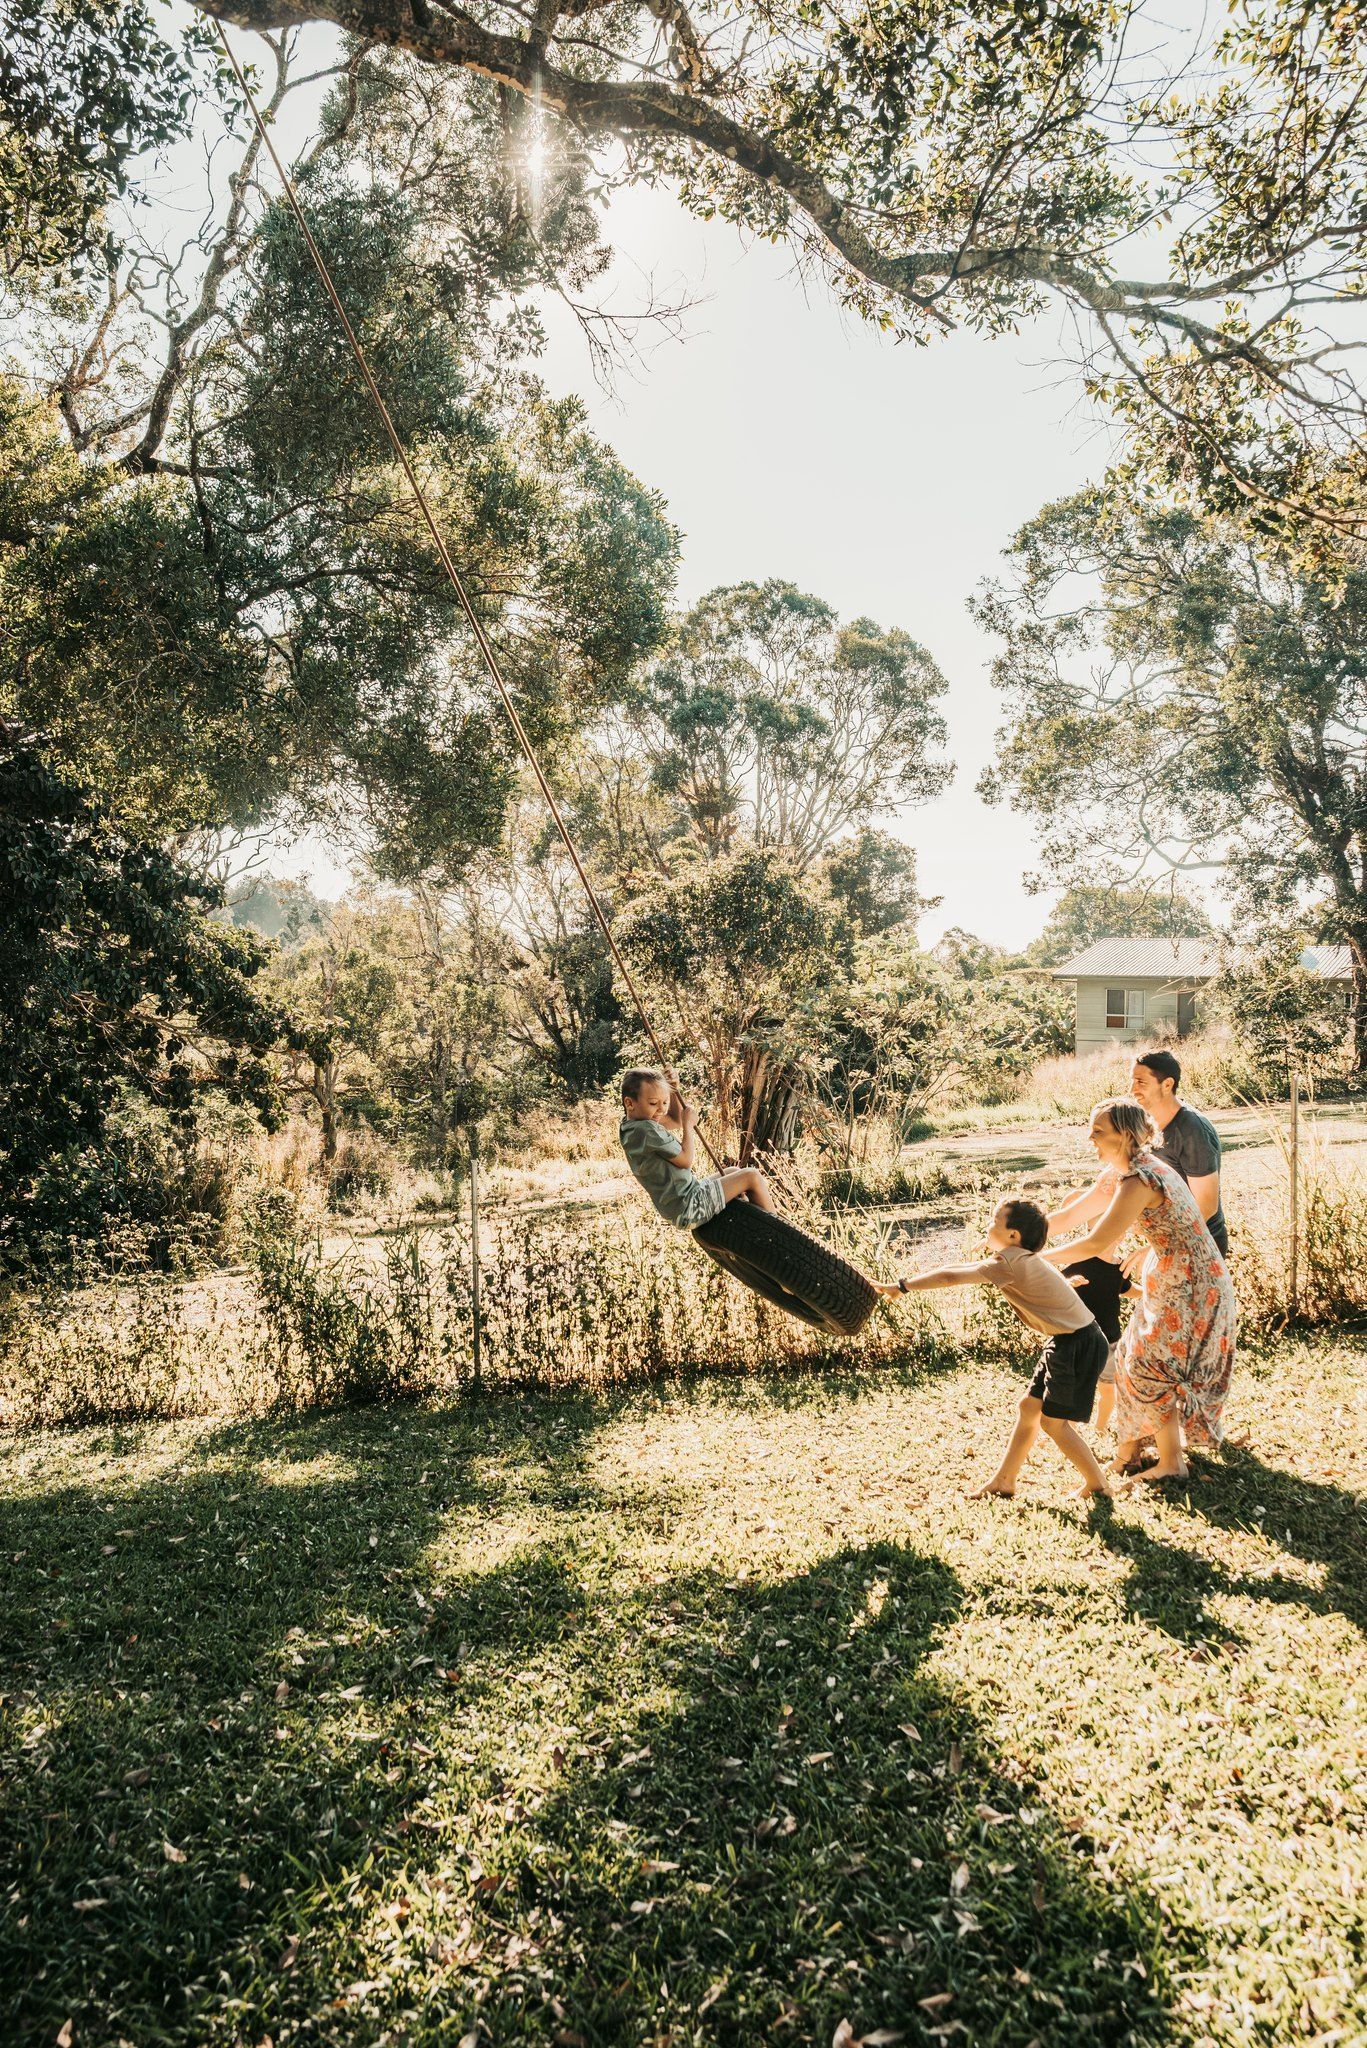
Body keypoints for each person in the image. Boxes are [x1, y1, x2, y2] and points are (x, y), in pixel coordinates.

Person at [1041, 1098, 1236, 1484]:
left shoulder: (1141, 1179)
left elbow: (1095, 1243)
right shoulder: (1121, 1173)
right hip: (1170, 1275)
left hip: (1193, 1281)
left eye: (1099, 1131)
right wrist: (1015, 1240)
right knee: (1132, 1354)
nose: (1090, 1137)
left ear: (1125, 1136)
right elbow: (1067, 1217)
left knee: (1149, 1365)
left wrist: (1033, 1258)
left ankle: (1170, 1463)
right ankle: (1130, 1452)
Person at [900, 1196, 1112, 1499]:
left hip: (1079, 1343)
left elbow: (950, 1276)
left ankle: (1099, 1485)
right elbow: (973, 1267)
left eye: (994, 1221)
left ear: (1014, 1236)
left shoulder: (1010, 1263)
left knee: (1054, 1424)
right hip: (1068, 1339)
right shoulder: (1020, 1259)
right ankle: (1004, 1481)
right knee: (1029, 1408)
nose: (988, 1225)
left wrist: (903, 1285)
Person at [619, 1068, 773, 1230]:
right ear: (629, 1103)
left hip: (680, 1204)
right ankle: (778, 1232)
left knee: (734, 1171)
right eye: (653, 1103)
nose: (661, 1109)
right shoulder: (647, 1130)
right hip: (689, 1206)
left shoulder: (631, 1126)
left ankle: (759, 1224)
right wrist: (688, 1126)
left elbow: (674, 1119)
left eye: (664, 1102)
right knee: (751, 1176)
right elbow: (686, 1160)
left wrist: (673, 1091)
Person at [1130, 1048, 1229, 1259]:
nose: (1133, 1089)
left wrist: (1159, 1245)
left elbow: (1206, 1205)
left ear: (1167, 1084)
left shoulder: (1192, 1131)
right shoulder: (1147, 1125)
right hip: (1170, 1244)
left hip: (1200, 1248)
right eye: (1132, 1081)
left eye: (1141, 1082)